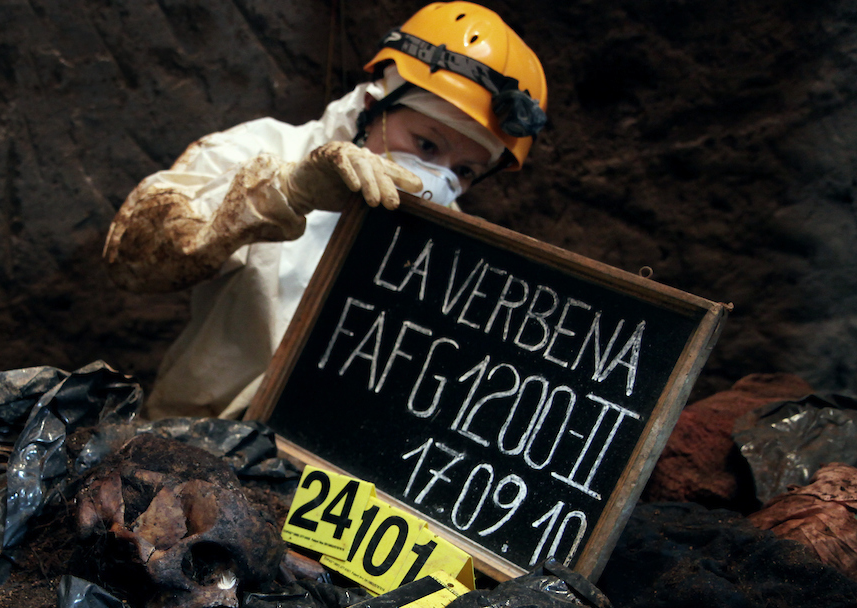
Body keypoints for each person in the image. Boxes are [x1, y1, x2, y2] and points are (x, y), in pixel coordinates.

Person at [104, 2, 547, 420]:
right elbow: (133, 262)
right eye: (426, 144)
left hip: (329, 466)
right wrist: (287, 192)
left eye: (465, 171)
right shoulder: (263, 151)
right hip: (198, 444)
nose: (438, 178)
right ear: (373, 108)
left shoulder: (459, 252)